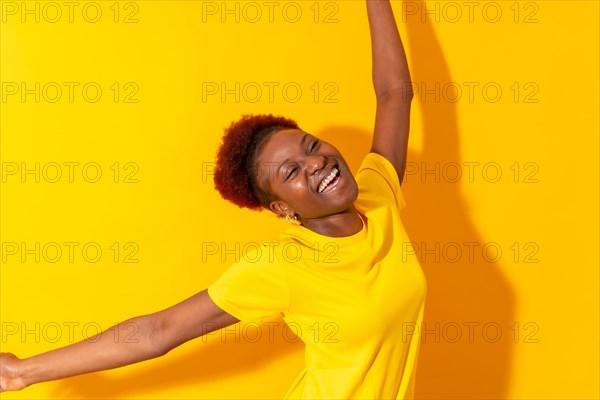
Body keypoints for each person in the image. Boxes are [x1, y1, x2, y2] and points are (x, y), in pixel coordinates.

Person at [0, 0, 426, 398]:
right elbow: (157, 332)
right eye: (292, 171)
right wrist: (20, 372)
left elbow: (393, 94)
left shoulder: (378, 194)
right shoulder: (283, 267)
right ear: (282, 209)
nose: (315, 164)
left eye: (312, 147)